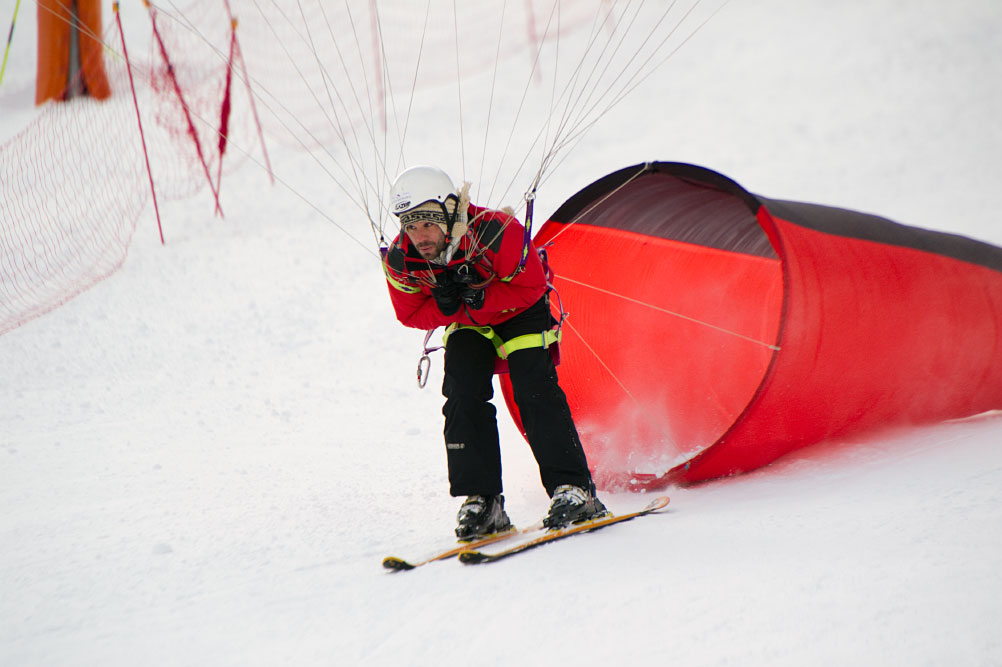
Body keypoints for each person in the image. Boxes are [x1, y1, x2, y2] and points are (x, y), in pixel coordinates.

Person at [382, 165, 607, 540]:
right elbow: (410, 314)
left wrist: (484, 297)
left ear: (451, 210)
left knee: (533, 387)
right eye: (410, 224)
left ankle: (575, 489)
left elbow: (533, 286)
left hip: (521, 312)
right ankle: (483, 502)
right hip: (468, 321)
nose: (419, 235)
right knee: (461, 394)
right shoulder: (401, 260)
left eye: (428, 222)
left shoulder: (497, 231)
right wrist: (448, 307)